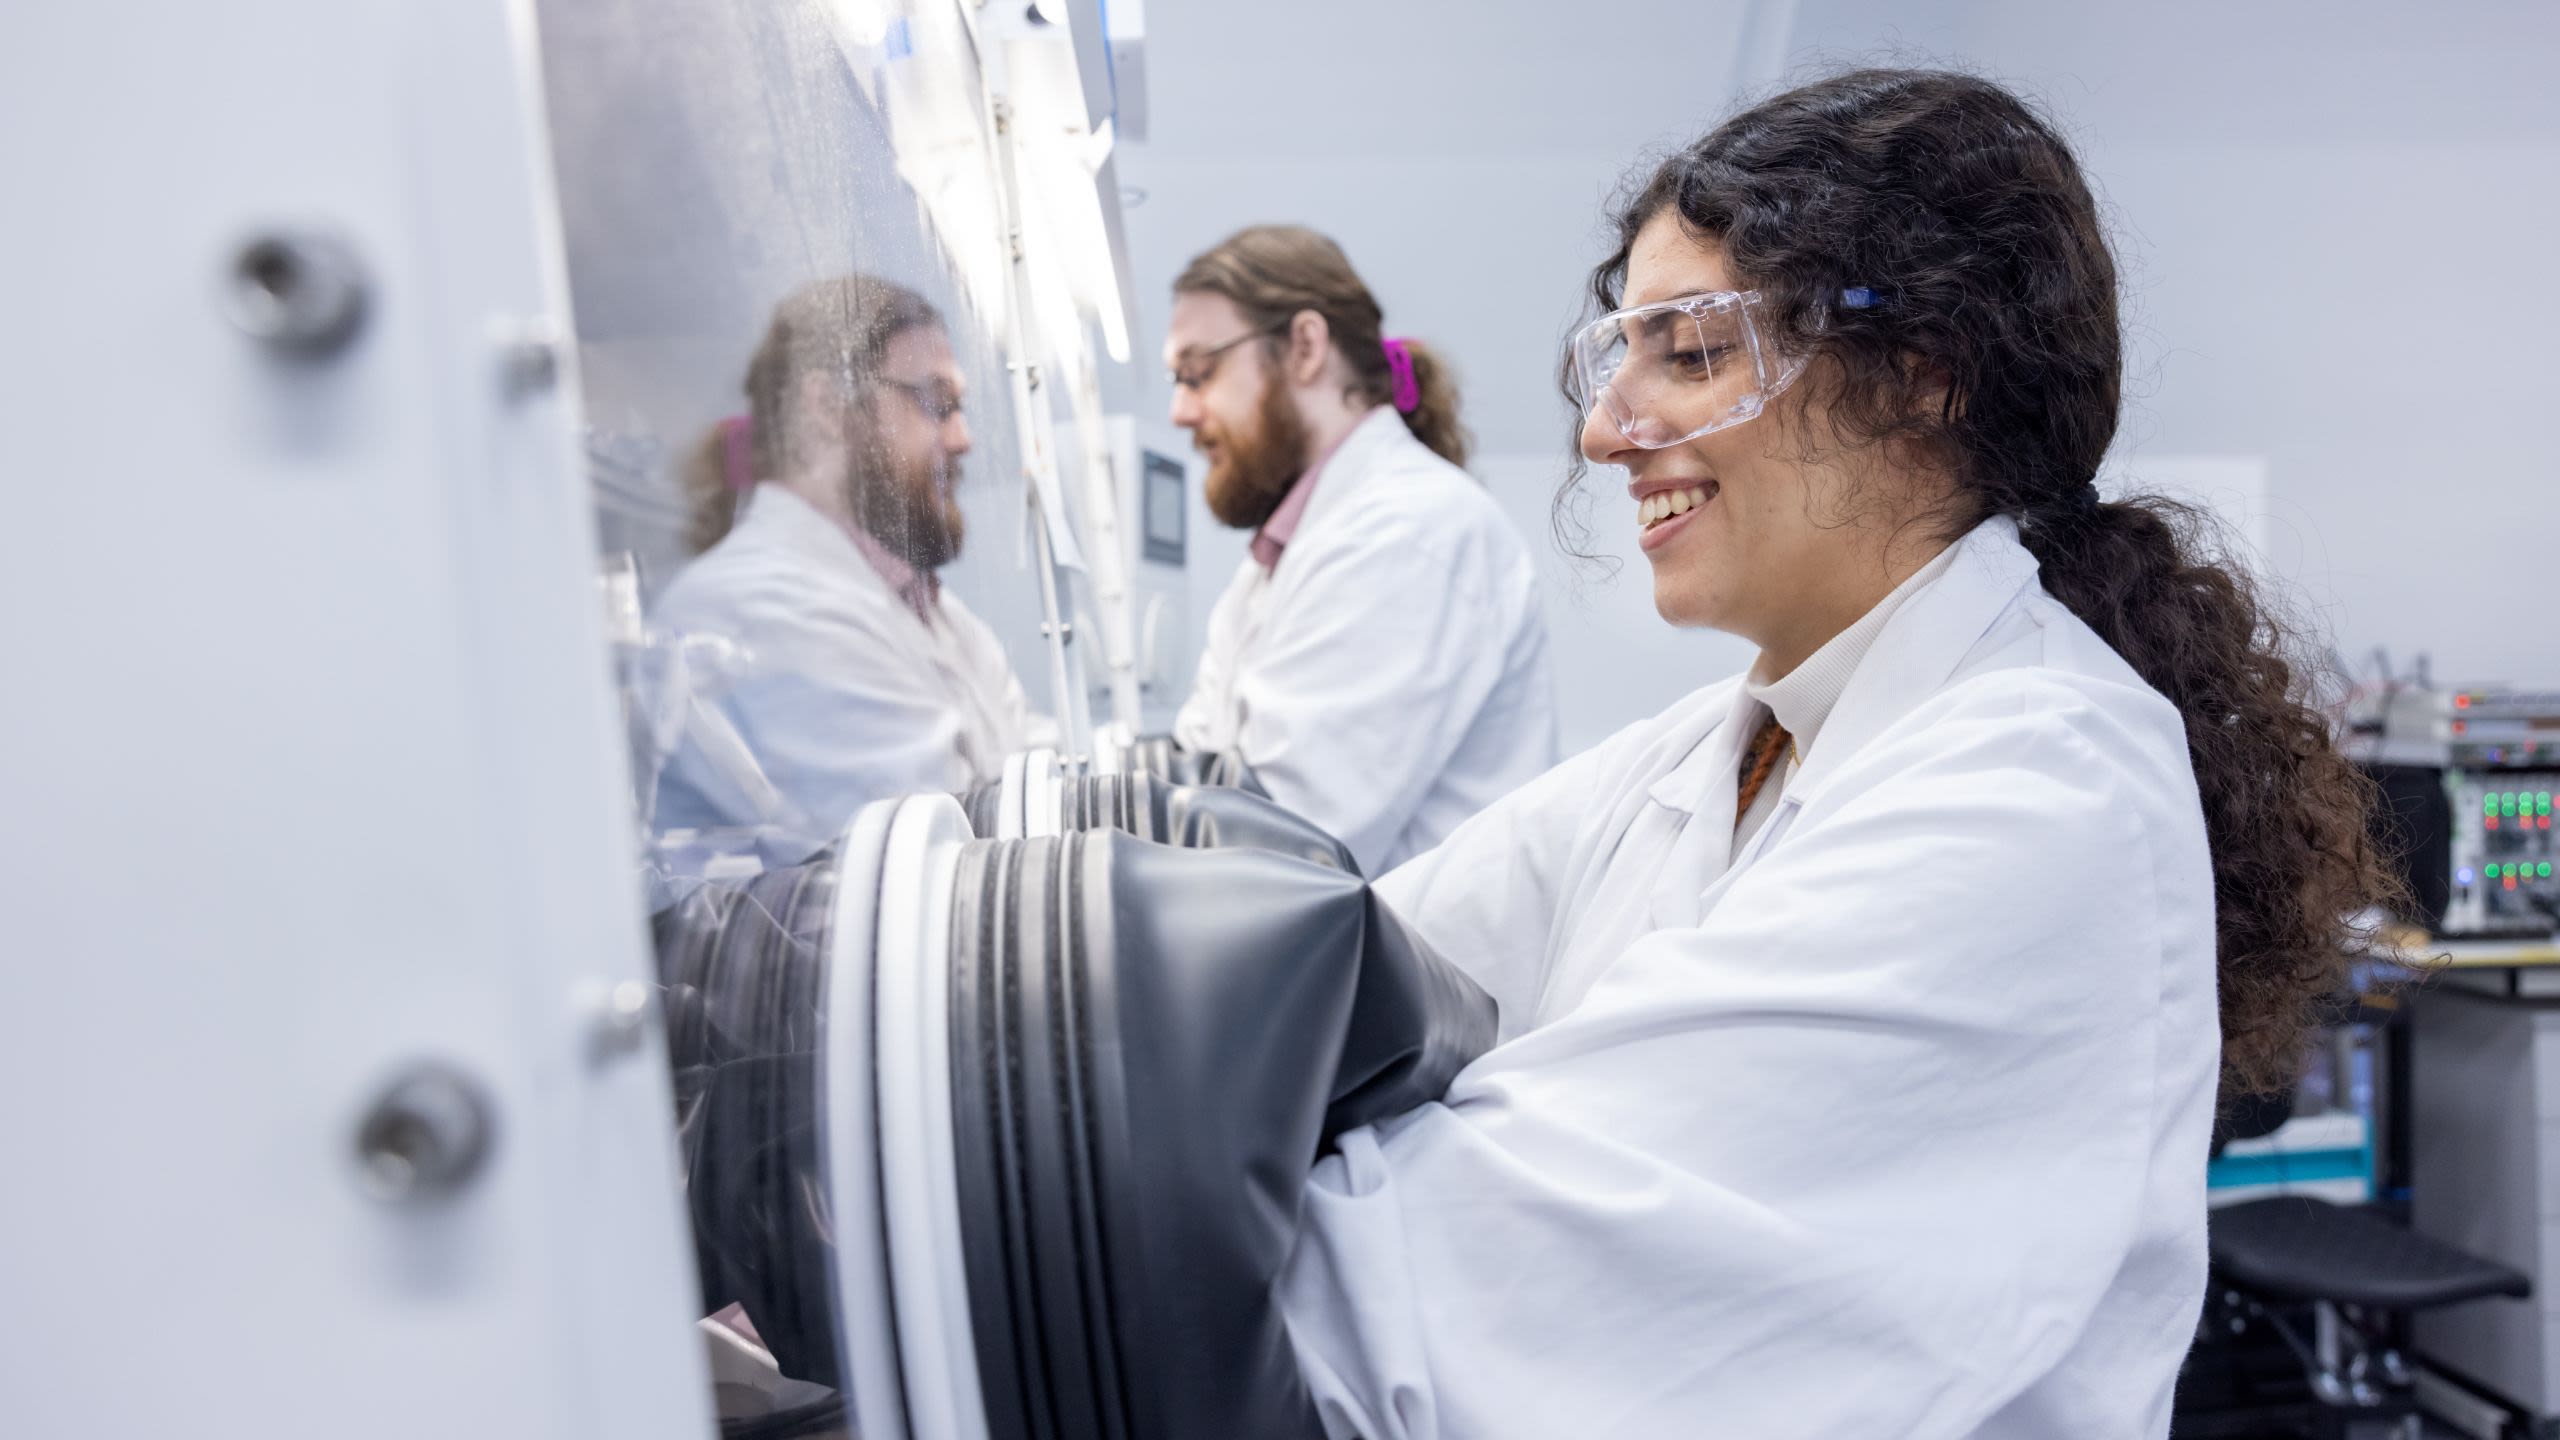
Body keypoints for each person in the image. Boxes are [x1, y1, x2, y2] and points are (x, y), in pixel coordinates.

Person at [1274, 71, 2400, 1438]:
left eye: (1689, 354)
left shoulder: (2043, 793)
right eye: (1619, 357)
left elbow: (1436, 1293)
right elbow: (1351, 972)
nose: (1603, 428)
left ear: (1923, 377)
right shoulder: (1724, 748)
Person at [1165, 226, 1556, 874]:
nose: (1180, 409)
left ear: (1306, 346)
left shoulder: (1408, 532)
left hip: (1403, 971)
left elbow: (1280, 848)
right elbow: (1196, 763)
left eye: (1199, 372)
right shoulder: (1282, 557)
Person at [652, 275, 1034, 860]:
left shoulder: (932, 608)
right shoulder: (756, 607)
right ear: (829, 407)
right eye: (936, 403)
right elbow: (954, 861)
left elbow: (1031, 777)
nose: (964, 438)